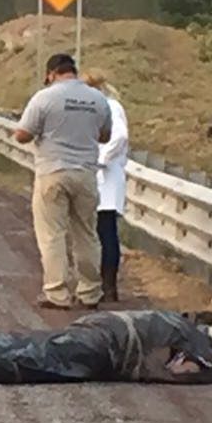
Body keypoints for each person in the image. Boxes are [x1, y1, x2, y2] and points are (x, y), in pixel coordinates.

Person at [13, 54, 113, 310]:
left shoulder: (45, 97)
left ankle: (57, 293)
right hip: (86, 174)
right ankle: (90, 292)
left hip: (52, 172)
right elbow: (105, 136)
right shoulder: (97, 99)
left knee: (52, 235)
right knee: (87, 234)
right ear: (74, 71)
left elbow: (22, 135)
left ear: (51, 74)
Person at [85, 70, 130, 303]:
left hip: (107, 176)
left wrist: (101, 159)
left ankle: (108, 285)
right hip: (102, 176)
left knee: (106, 231)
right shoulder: (103, 106)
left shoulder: (109, 106)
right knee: (100, 231)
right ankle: (103, 285)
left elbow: (120, 136)